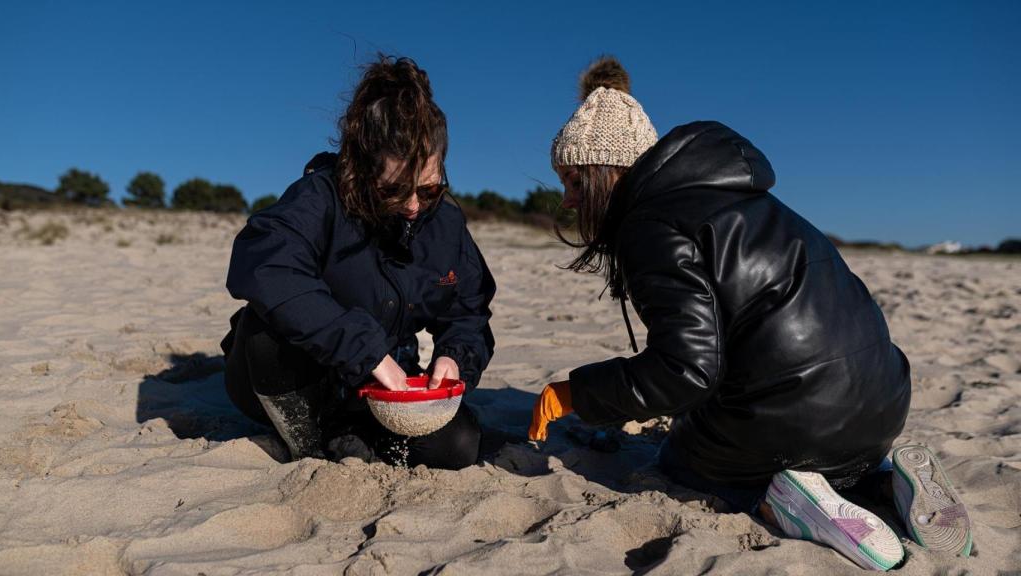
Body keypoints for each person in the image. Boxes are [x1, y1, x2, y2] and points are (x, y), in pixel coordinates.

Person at [529, 57, 972, 570]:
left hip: (799, 419)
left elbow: (685, 370)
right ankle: (887, 481)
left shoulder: (650, 225)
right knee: (798, 442)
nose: (566, 201)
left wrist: (576, 393)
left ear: (607, 175)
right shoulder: (750, 198)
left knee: (681, 462)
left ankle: (787, 502)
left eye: (574, 183)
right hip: (883, 404)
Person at [222, 55, 495, 470]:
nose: (413, 206)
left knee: (456, 447)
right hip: (294, 375)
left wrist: (456, 357)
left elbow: (469, 311)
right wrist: (364, 353)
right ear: (360, 168)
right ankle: (311, 446)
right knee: (263, 332)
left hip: (383, 384)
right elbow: (265, 267)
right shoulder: (320, 197)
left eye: (429, 188)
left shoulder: (447, 223)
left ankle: (351, 432)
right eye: (394, 191)